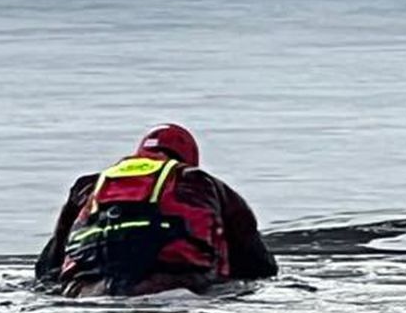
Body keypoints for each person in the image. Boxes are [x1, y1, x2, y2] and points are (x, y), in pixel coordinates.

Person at [35, 124, 277, 297]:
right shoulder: (199, 181)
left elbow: (47, 269)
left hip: (86, 291)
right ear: (188, 159)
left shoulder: (88, 186)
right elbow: (259, 265)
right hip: (173, 287)